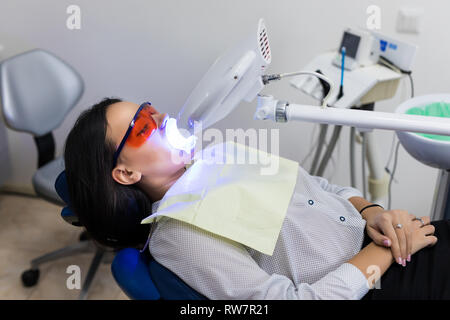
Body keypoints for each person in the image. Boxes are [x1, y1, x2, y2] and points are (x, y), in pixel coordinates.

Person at [64, 97, 450, 299]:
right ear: (126, 173)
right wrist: (386, 251)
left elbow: (322, 188)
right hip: (375, 283)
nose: (162, 119)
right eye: (143, 127)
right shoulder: (178, 234)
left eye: (151, 110)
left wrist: (373, 212)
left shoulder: (221, 154)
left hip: (390, 240)